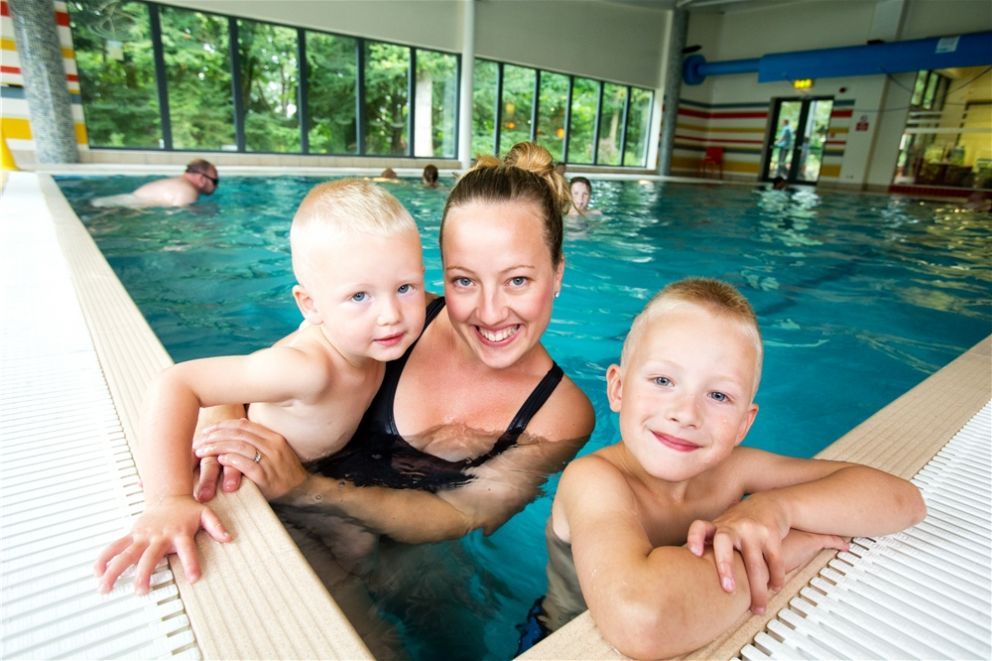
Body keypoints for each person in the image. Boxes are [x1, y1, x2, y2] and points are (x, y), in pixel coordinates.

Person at [191, 141, 594, 591]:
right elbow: (246, 382)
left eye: (517, 279)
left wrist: (306, 490)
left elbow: (463, 513)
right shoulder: (395, 320)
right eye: (464, 280)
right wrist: (219, 445)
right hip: (269, 515)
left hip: (393, 562)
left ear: (557, 274)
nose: (491, 312)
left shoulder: (560, 412)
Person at [523, 278, 926, 659]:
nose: (686, 413)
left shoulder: (734, 469)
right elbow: (643, 621)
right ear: (618, 389)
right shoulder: (593, 480)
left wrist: (776, 509)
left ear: (743, 425)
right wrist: (784, 549)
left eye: (718, 395)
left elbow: (904, 502)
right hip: (560, 637)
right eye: (662, 380)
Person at [94, 179, 427, 595]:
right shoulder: (309, 369)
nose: (391, 314)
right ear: (310, 305)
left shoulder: (370, 340)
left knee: (362, 544)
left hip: (310, 470)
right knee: (355, 555)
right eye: (360, 296)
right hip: (255, 485)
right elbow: (176, 382)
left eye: (405, 287)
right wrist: (169, 499)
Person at [133, 159, 219, 207]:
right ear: (202, 179)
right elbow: (180, 221)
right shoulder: (187, 191)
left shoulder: (176, 183)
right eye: (215, 181)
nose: (216, 186)